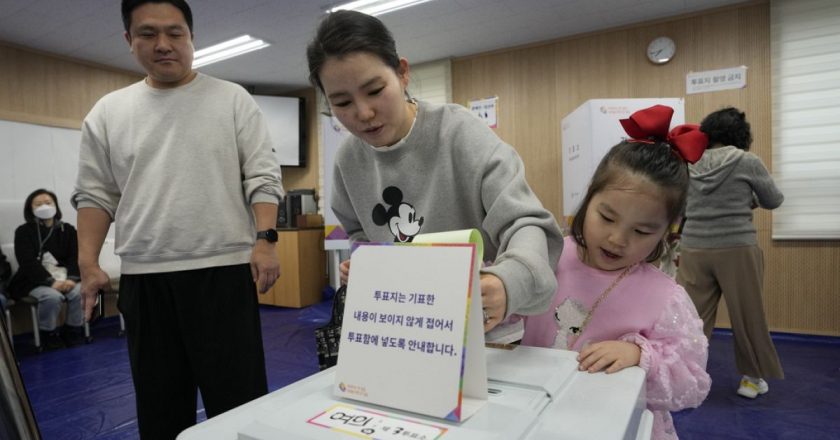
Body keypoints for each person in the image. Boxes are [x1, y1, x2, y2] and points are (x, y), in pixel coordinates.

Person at [71, 0, 284, 438]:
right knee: (160, 410)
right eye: (148, 34)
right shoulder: (108, 112)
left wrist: (266, 239)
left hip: (221, 273)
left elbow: (263, 176)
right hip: (146, 280)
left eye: (175, 33)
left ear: (191, 36)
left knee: (240, 404)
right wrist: (88, 263)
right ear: (129, 41)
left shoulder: (232, 99)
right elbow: (95, 195)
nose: (163, 45)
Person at [306, 10, 564, 331]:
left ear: (402, 73)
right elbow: (361, 233)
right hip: (404, 326)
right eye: (342, 103)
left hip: (485, 329)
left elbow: (524, 222)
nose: (364, 112)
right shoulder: (348, 160)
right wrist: (365, 263)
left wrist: (509, 281)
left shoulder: (459, 133)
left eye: (374, 90)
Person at [520, 105, 712, 440]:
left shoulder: (664, 296)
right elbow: (508, 308)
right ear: (588, 198)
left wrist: (641, 355)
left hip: (614, 424)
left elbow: (692, 380)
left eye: (642, 232)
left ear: (667, 232)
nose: (617, 239)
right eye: (607, 217)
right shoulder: (547, 255)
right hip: (536, 414)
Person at [676, 107, 784, 399]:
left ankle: (681, 377)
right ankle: (751, 380)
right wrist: (746, 200)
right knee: (748, 315)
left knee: (691, 317)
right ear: (741, 136)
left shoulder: (689, 164)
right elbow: (773, 200)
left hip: (694, 248)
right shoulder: (747, 161)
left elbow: (682, 208)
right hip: (737, 248)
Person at [7, 189, 84, 349]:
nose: (44, 206)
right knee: (52, 297)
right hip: (34, 280)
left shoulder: (68, 230)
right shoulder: (23, 232)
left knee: (80, 292)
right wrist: (50, 282)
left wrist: (71, 279)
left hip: (65, 277)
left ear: (56, 206)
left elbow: (75, 256)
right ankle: (47, 334)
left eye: (48, 203)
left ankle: (73, 330)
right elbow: (27, 262)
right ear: (31, 208)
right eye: (38, 204)